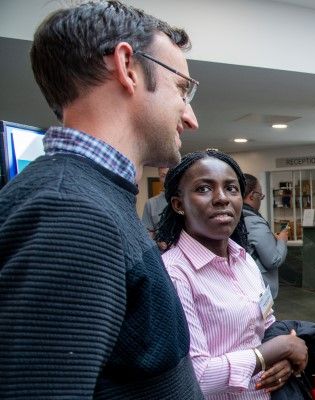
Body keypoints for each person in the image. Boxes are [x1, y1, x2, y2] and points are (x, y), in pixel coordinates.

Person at [0, 2, 202, 398]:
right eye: (182, 88)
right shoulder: (71, 214)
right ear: (127, 67)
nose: (191, 117)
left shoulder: (91, 198)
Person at [156, 150, 309, 398]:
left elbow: (267, 322)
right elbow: (197, 377)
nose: (222, 198)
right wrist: (270, 352)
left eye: (231, 189)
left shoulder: (244, 260)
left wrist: (284, 358)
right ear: (178, 204)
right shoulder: (174, 274)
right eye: (204, 189)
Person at [243, 173, 289, 299]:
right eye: (260, 196)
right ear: (252, 196)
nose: (260, 201)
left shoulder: (236, 217)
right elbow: (274, 260)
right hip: (259, 289)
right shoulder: (254, 222)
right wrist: (282, 240)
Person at [142, 166, 170, 238]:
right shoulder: (151, 204)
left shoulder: (188, 200)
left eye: (170, 174)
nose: (167, 179)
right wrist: (157, 243)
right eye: (163, 176)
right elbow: (147, 235)